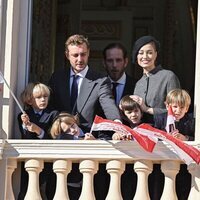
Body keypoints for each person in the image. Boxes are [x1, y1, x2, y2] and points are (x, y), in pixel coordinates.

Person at [49, 34, 121, 133]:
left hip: (87, 139)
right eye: (75, 55)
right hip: (61, 139)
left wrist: (116, 122)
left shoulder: (101, 81)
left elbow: (108, 103)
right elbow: (50, 106)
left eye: (83, 54)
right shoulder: (57, 78)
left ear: (88, 53)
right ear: (67, 55)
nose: (80, 59)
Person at [17, 82, 58, 200]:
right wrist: (25, 125)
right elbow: (26, 138)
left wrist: (39, 130)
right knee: (26, 191)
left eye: (45, 96)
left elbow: (53, 138)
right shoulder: (23, 115)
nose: (43, 100)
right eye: (39, 97)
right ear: (30, 100)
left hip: (47, 162)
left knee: (44, 192)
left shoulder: (53, 114)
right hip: (30, 161)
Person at [153, 89, 194, 200]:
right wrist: (165, 137)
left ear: (187, 108)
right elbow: (152, 136)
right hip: (162, 163)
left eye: (182, 107)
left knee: (182, 191)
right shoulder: (159, 118)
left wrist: (185, 138)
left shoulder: (191, 121)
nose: (177, 111)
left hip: (183, 164)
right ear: (167, 106)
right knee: (160, 190)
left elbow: (196, 138)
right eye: (175, 107)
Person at [131, 35, 181, 123]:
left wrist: (148, 109)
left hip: (163, 132)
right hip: (142, 132)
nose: (145, 56)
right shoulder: (138, 84)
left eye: (149, 52)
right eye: (141, 53)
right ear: (136, 56)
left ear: (156, 54)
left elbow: (177, 111)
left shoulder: (168, 76)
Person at [50, 112, 95, 200]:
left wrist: (94, 141)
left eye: (73, 125)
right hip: (68, 186)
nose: (73, 130)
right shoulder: (62, 138)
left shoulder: (89, 129)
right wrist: (81, 140)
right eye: (67, 131)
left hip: (92, 184)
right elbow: (59, 138)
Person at [112, 95, 143, 200]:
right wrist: (115, 136)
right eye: (129, 112)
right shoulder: (121, 128)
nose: (134, 115)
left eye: (136, 111)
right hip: (125, 169)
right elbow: (104, 137)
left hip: (143, 166)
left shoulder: (150, 125)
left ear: (141, 111)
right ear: (124, 115)